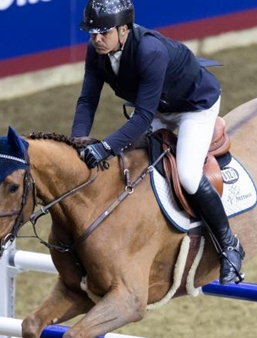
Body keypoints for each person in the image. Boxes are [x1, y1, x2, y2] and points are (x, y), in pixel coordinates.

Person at [71, 0, 245, 284]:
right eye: (92, 33)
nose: (96, 39)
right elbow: (88, 99)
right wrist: (77, 140)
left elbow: (141, 117)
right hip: (159, 109)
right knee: (132, 167)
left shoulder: (150, 51)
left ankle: (230, 247)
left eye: (103, 32)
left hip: (194, 107)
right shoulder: (96, 51)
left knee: (188, 176)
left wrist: (105, 147)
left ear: (124, 29)